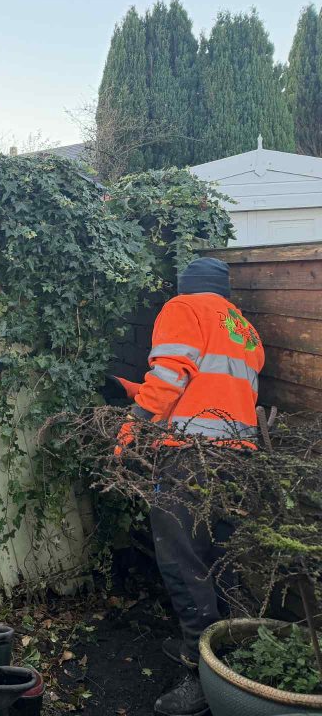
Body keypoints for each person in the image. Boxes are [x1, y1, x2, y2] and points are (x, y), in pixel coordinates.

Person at [115, 257, 264, 716]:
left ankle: (199, 673)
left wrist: (133, 422)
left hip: (190, 456)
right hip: (239, 457)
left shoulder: (183, 308)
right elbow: (220, 388)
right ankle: (230, 655)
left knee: (182, 559)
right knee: (221, 555)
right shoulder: (245, 330)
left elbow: (169, 375)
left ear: (186, 286)